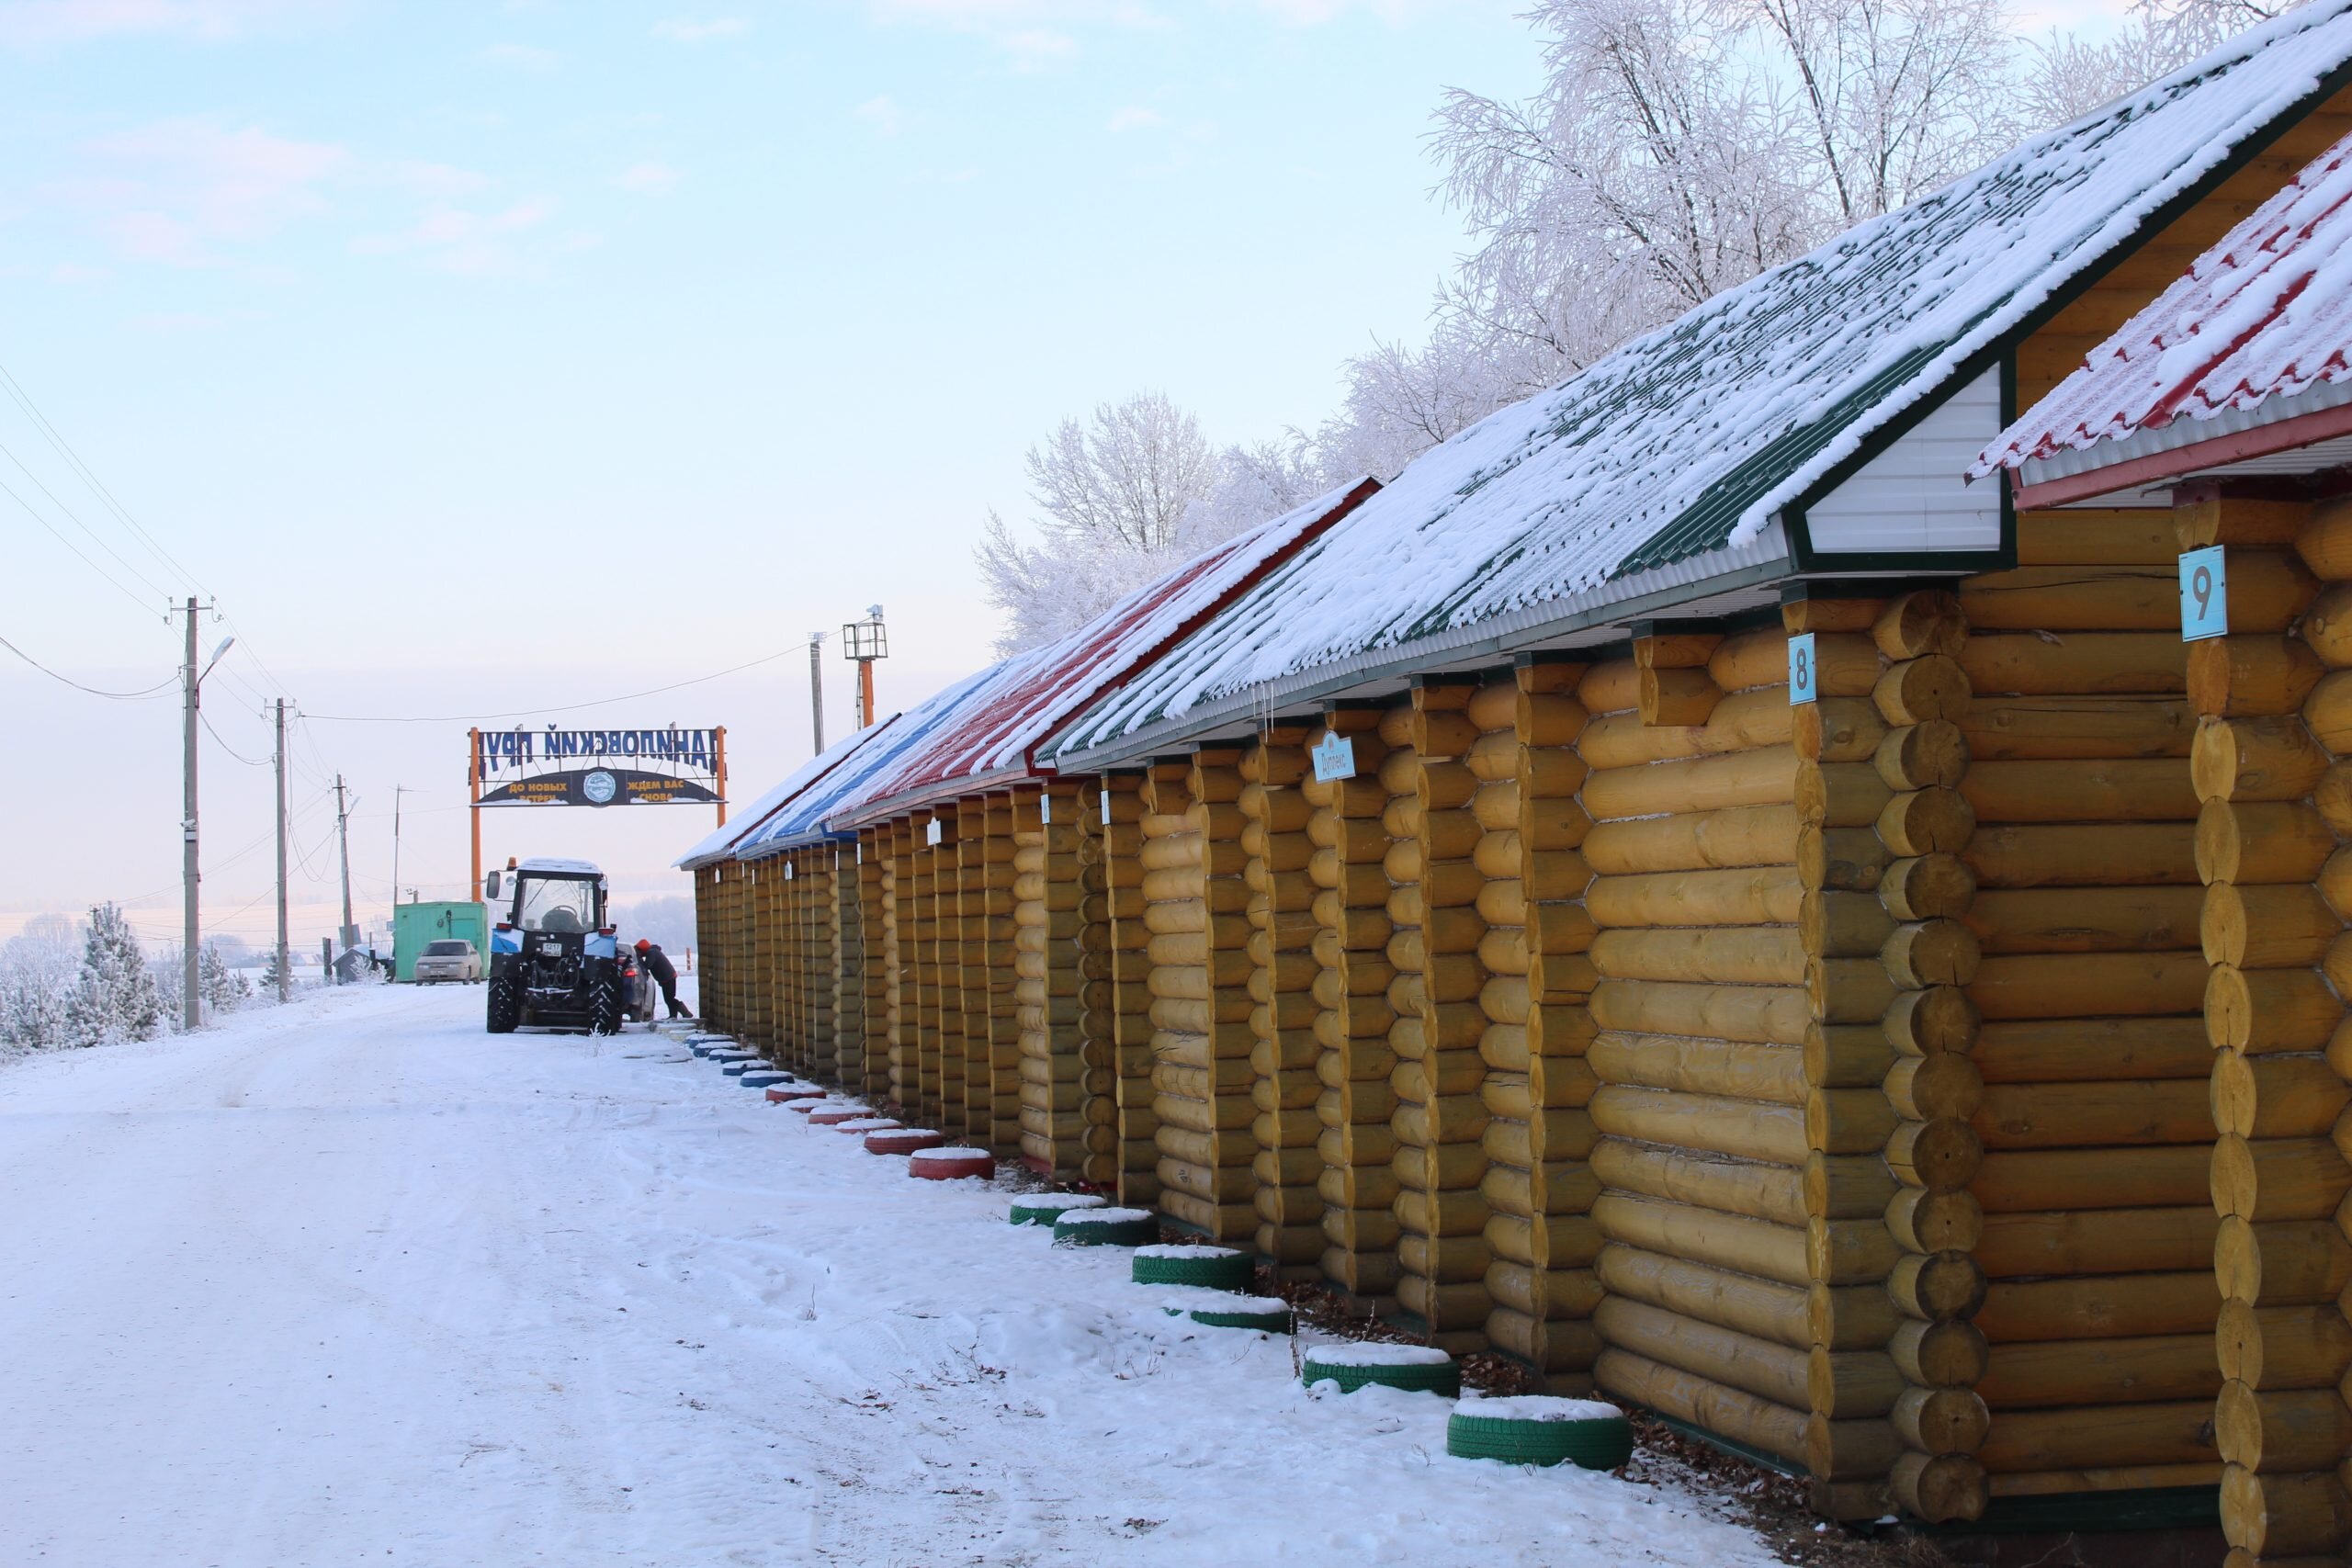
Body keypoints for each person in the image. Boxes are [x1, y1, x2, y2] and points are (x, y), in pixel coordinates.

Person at [635, 939, 691, 1018]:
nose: (640, 953)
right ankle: (673, 1016)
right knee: (669, 999)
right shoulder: (653, 951)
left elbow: (647, 965)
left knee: (669, 999)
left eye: (639, 951)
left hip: (667, 978)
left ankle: (686, 1013)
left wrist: (640, 961)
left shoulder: (652, 953)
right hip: (668, 977)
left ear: (643, 949)